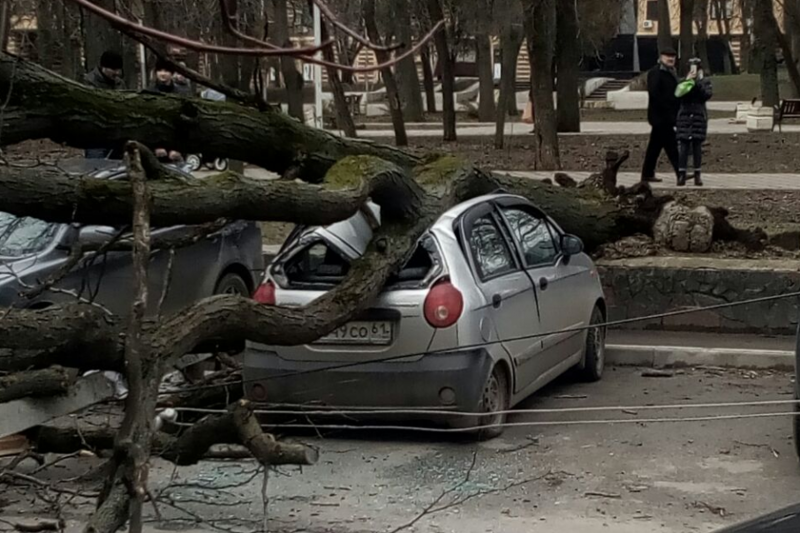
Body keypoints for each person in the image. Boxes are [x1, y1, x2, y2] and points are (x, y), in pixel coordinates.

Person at [641, 47, 680, 184]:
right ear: (661, 58)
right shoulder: (656, 72)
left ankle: (647, 173)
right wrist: (669, 107)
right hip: (661, 117)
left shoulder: (671, 72)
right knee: (672, 146)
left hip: (666, 116)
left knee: (655, 146)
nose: (671, 59)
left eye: (673, 57)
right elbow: (655, 94)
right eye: (668, 57)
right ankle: (680, 173)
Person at [675, 58, 713, 187]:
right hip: (684, 116)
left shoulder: (705, 82)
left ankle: (697, 175)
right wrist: (688, 81)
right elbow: (678, 95)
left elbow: (706, 95)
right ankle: (681, 175)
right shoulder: (682, 82)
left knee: (697, 147)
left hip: (698, 116)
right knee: (683, 147)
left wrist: (697, 83)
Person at [83, 51, 125, 159]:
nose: (116, 73)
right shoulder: (89, 82)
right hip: (96, 136)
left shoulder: (120, 83)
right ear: (103, 67)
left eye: (118, 70)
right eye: (113, 69)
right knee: (95, 167)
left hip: (117, 136)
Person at [149, 59, 182, 162]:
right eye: (160, 70)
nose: (163, 74)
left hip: (175, 149)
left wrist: (178, 149)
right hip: (154, 149)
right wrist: (155, 146)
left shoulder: (180, 94)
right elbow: (148, 123)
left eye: (166, 71)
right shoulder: (149, 93)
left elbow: (183, 124)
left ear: (172, 74)